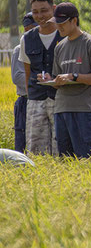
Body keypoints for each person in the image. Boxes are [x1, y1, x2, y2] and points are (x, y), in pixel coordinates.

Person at [39, 2, 91, 158]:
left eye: (62, 24)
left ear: (74, 21)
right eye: (57, 23)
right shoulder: (59, 47)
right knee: (66, 161)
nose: (59, 27)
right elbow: (58, 80)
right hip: (61, 110)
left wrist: (74, 76)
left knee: (90, 161)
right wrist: (49, 79)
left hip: (84, 111)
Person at [18, 0, 62, 155]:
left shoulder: (65, 35)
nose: (40, 16)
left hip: (61, 99)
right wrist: (32, 98)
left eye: (44, 11)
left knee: (61, 149)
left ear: (54, 9)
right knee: (36, 151)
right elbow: (27, 73)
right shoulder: (27, 39)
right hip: (36, 101)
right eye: (35, 12)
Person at [11, 12, 37, 153]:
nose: (31, 31)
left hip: (42, 99)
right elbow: (17, 77)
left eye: (34, 28)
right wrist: (38, 80)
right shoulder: (19, 49)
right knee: (22, 141)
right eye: (28, 29)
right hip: (25, 101)